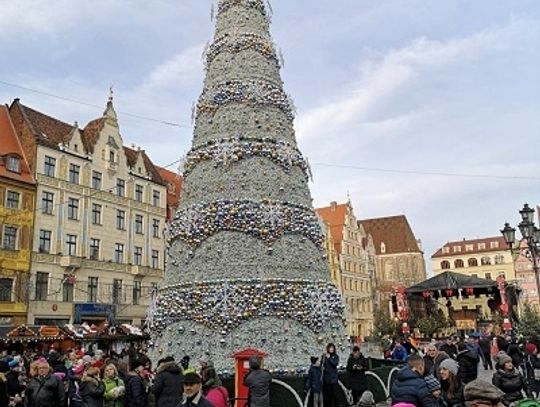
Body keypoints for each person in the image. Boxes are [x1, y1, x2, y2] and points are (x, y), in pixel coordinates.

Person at [322, 343, 341, 407]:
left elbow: (335, 364)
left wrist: (329, 358)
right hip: (327, 379)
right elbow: (322, 364)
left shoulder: (336, 356)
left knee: (335, 395)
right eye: (330, 348)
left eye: (332, 348)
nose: (331, 349)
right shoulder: (324, 356)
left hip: (333, 379)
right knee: (328, 396)